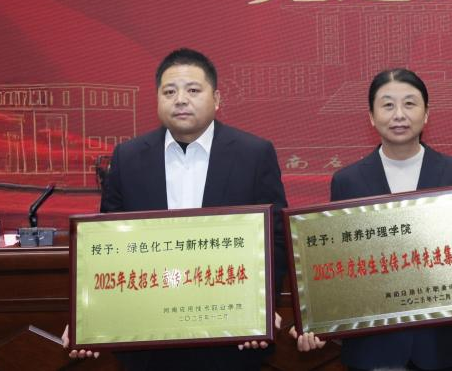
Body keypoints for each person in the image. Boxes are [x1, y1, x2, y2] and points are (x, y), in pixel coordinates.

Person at [65, 47, 289, 370]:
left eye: (193, 90)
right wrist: (89, 315)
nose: (180, 100)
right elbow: (108, 245)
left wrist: (261, 307)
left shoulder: (254, 154)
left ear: (217, 98)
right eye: (169, 92)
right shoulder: (128, 158)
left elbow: (275, 238)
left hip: (230, 336)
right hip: (149, 339)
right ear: (157, 100)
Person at [294, 68, 452, 370]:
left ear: (427, 114)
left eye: (410, 104)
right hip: (374, 349)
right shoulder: (348, 181)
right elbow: (335, 263)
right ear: (371, 116)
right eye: (388, 105)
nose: (399, 115)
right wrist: (315, 320)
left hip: (441, 345)